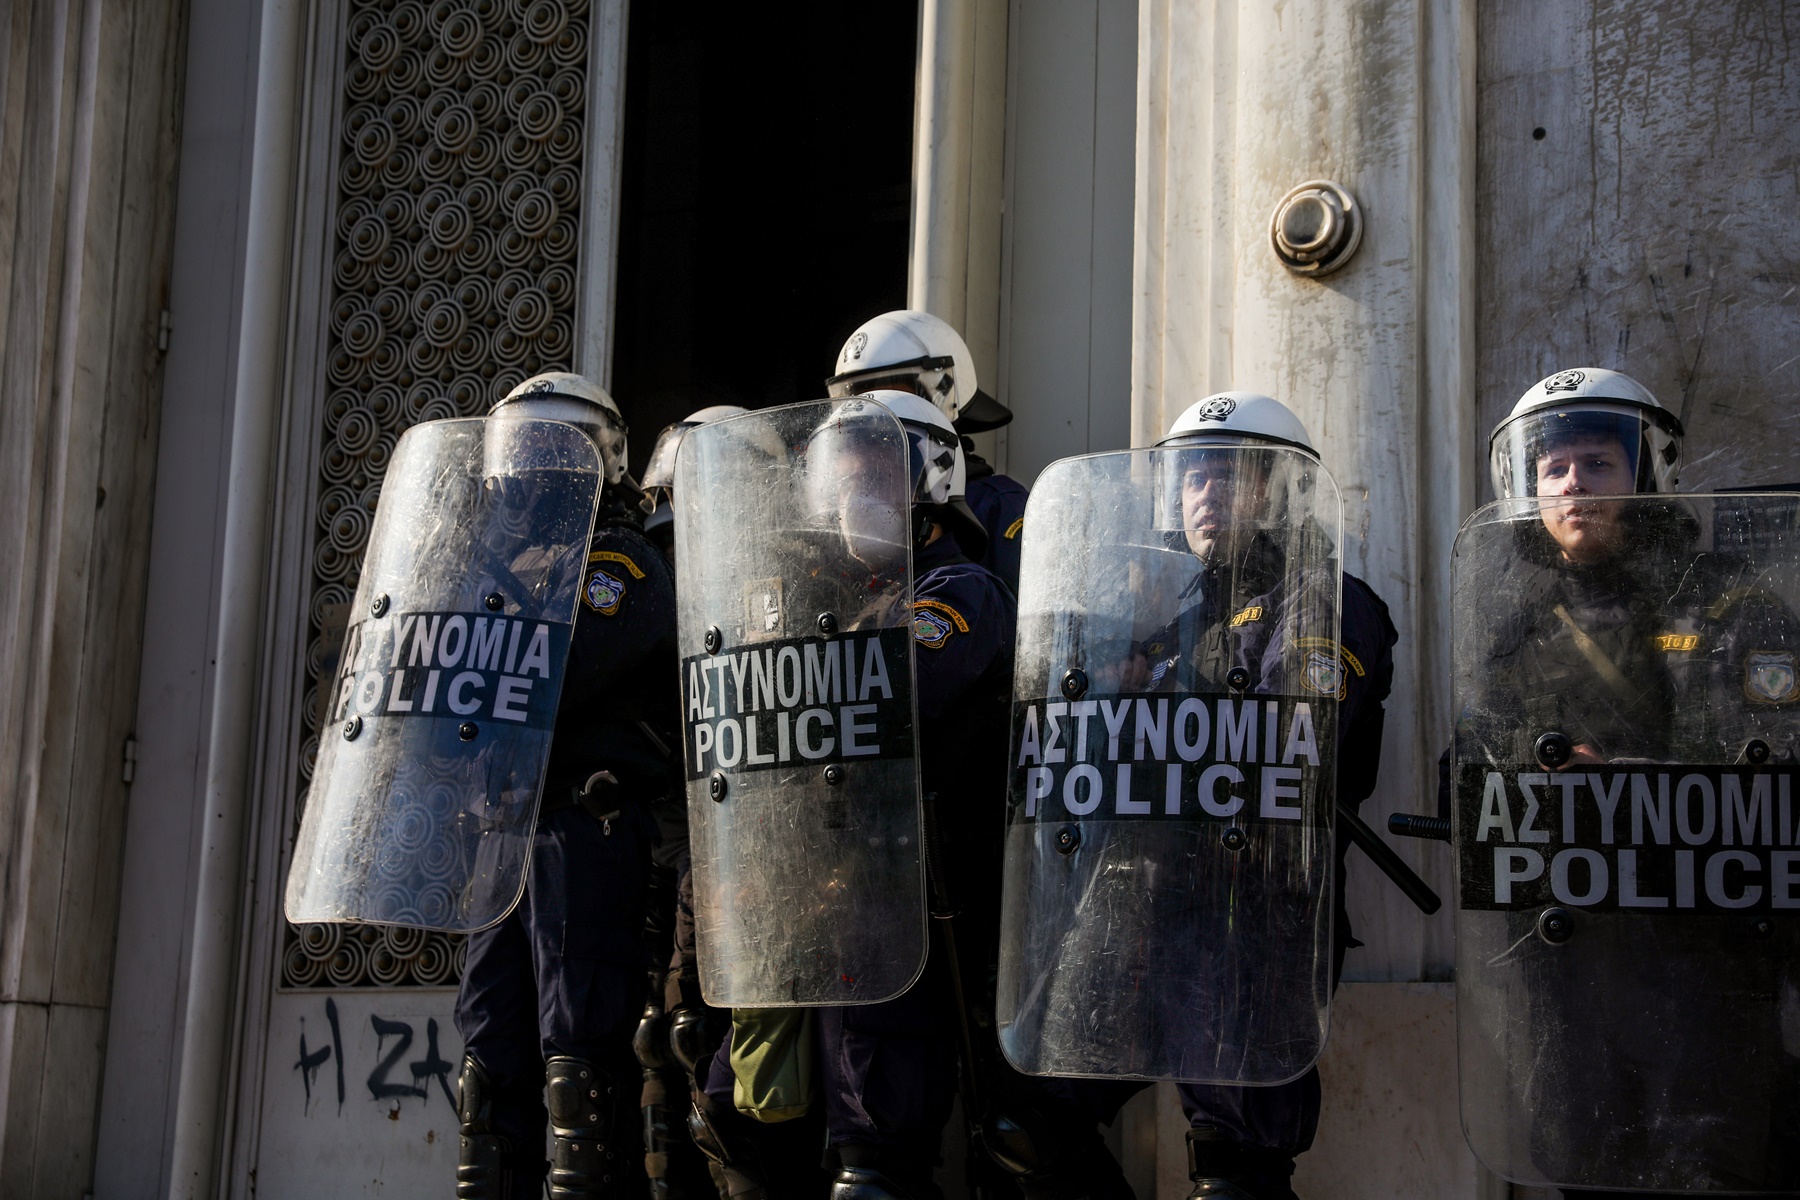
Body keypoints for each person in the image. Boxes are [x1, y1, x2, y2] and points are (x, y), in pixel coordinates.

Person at [988, 392, 1397, 1200]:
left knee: (1235, 1170)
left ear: (1276, 491)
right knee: (1027, 1128)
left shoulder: (1323, 600)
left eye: (1229, 476)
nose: (1205, 494)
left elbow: (1298, 732)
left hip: (1250, 916)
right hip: (1135, 914)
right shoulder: (1171, 617)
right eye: (1193, 478)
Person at [1448, 368, 1800, 1196]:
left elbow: (1773, 772)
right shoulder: (1511, 631)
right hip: (1568, 969)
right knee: (1581, 1162)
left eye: (1598, 462)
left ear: (1648, 474)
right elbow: (1468, 785)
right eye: (1554, 466)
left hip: (1704, 966)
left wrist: (1631, 780)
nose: (1574, 484)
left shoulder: (1724, 605)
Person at [686, 391, 1017, 1200]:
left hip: (899, 908)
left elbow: (907, 681)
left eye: (872, 467)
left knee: (874, 1157)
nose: (849, 490)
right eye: (837, 469)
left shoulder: (960, 586)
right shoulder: (804, 592)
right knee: (734, 1120)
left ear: (932, 476)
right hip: (796, 905)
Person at [455, 372, 683, 1200]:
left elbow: (565, 666)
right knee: (485, 1082)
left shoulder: (622, 563)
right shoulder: (499, 577)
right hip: (504, 836)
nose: (530, 479)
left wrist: (498, 604)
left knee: (576, 1086)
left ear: (602, 462)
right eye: (521, 459)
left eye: (552, 458)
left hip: (585, 836)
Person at [826, 310, 1029, 593]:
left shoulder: (997, 505)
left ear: (945, 392)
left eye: (896, 395)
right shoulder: (842, 515)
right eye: (859, 401)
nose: (878, 414)